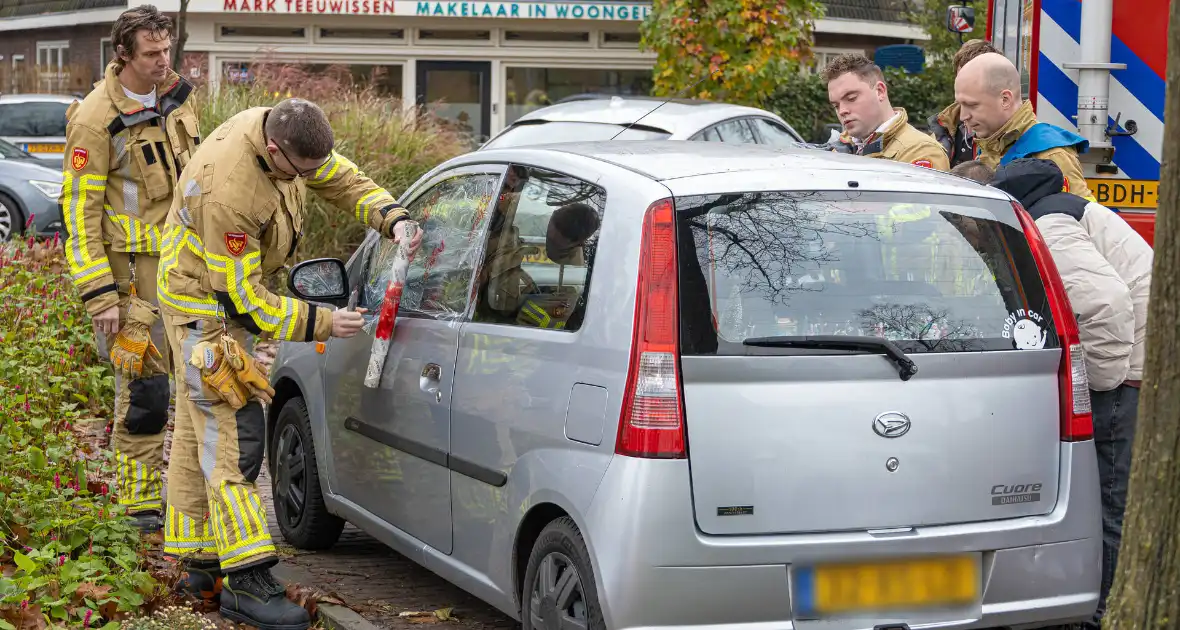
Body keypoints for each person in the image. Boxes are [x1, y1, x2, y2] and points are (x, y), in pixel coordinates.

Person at [155, 98, 421, 629]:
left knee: (197, 433)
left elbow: (334, 174)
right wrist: (323, 322)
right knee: (232, 438)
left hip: (211, 300)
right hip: (206, 312)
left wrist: (390, 216)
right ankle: (247, 580)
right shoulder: (230, 190)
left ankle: (200, 564)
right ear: (275, 150)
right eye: (300, 169)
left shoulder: (280, 129)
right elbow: (243, 299)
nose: (309, 177)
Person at [59, 4, 202, 534]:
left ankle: (189, 496)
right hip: (134, 279)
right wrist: (101, 297)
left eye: (167, 50)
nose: (163, 62)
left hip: (188, 270)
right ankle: (139, 508)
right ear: (122, 54)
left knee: (200, 383)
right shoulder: (98, 119)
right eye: (151, 53)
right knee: (143, 391)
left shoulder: (178, 97)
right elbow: (78, 212)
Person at [991, 158, 1151, 630]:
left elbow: (1105, 306)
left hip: (1126, 376)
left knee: (1110, 504)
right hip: (1135, 366)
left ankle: (1106, 615)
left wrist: (1100, 385)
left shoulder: (1049, 224)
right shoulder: (1065, 211)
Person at [956, 53, 1095, 200]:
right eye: (960, 105)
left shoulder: (1051, 155)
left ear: (1005, 99)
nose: (963, 116)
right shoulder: (990, 144)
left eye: (972, 105)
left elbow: (1081, 216)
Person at [480, 202, 601, 330]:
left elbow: (522, 333)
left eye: (555, 243)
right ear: (554, 213)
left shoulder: (567, 287)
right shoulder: (532, 210)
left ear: (579, 244)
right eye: (549, 230)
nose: (549, 237)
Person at [822, 53, 949, 171]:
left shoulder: (922, 152)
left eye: (851, 98)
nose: (842, 111)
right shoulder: (838, 148)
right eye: (836, 105)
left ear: (880, 91)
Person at [929, 39, 1002, 168]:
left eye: (971, 79)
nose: (963, 85)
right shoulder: (945, 124)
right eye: (960, 77)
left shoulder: (1009, 139)